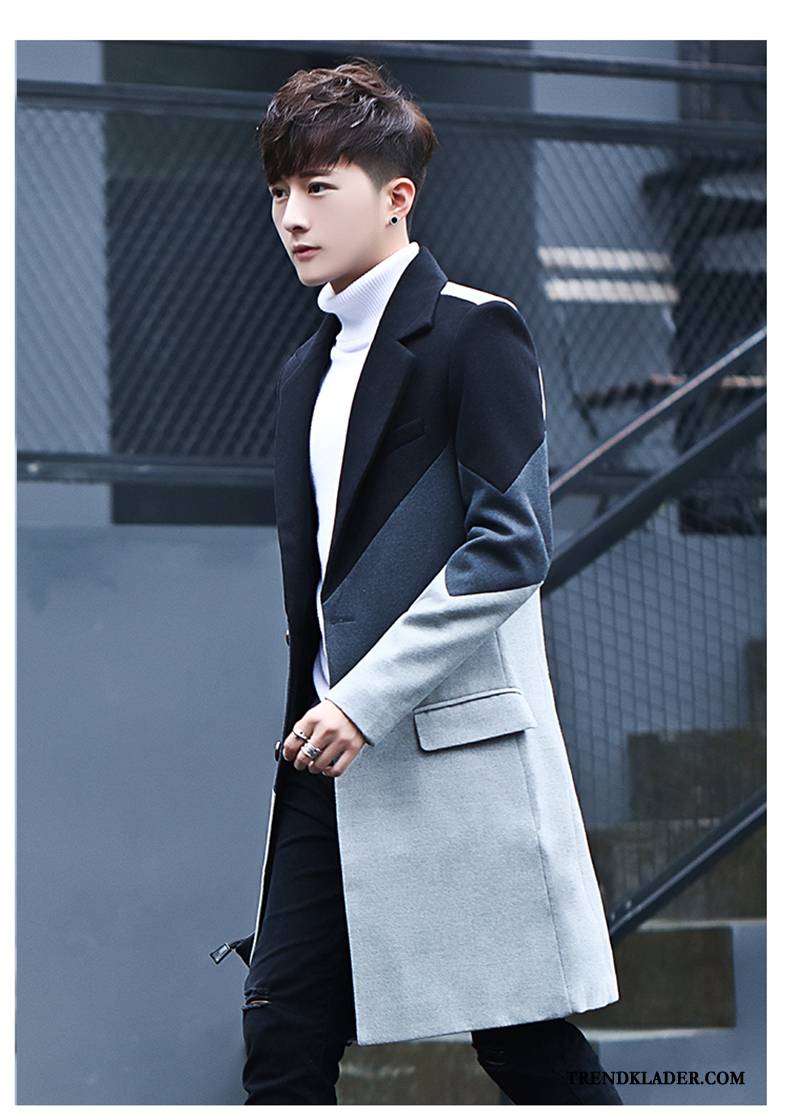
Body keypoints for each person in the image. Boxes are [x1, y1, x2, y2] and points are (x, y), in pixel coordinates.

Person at [215, 55, 623, 1105]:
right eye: (279, 191)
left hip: (449, 755)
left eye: (319, 187)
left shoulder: (473, 332)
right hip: (325, 758)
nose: (291, 216)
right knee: (280, 1038)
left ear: (396, 196)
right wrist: (332, 705)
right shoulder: (301, 371)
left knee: (525, 1049)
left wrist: (365, 697)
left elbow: (511, 545)